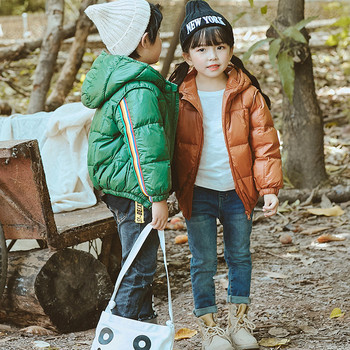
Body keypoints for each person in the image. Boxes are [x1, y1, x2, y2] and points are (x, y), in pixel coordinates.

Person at [169, 1, 283, 349]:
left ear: (231, 50)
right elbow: (164, 145)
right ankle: (209, 326)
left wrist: (269, 188)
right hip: (198, 191)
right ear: (188, 56)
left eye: (220, 46)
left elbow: (265, 144)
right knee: (202, 260)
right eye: (201, 49)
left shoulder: (248, 94)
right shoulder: (177, 96)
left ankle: (239, 322)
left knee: (240, 256)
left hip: (238, 191)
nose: (212, 56)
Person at [82, 0, 178, 324]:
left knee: (139, 262)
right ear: (143, 41)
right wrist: (157, 198)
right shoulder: (137, 88)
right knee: (138, 267)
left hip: (122, 184)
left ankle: (142, 328)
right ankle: (122, 332)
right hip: (135, 190)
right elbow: (143, 149)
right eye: (159, 35)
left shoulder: (122, 79)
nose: (162, 42)